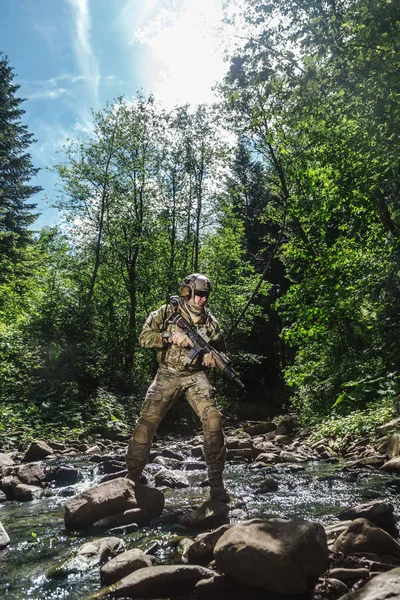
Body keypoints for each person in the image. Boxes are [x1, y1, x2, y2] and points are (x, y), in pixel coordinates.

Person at [126, 273, 229, 503]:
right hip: (167, 374)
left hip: (195, 375)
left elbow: (222, 351)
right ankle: (131, 479)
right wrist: (169, 336)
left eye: (206, 295)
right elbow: (144, 338)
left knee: (213, 419)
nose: (203, 299)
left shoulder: (211, 322)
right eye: (199, 294)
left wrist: (213, 359)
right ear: (186, 292)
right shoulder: (165, 313)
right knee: (145, 424)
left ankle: (216, 485)